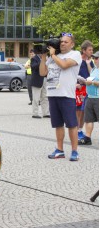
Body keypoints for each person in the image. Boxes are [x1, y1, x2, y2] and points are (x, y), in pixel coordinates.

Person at [39, 32, 82, 161]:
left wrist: (52, 54)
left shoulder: (75, 54)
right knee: (58, 124)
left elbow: (64, 65)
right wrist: (44, 57)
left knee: (71, 124)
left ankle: (74, 151)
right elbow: (42, 73)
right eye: (61, 41)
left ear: (72, 44)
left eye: (66, 41)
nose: (62, 43)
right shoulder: (53, 57)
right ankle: (60, 150)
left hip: (66, 94)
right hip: (53, 93)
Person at [78, 51, 98, 145]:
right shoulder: (94, 69)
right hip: (90, 97)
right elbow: (91, 77)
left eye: (97, 58)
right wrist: (86, 81)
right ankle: (87, 137)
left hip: (98, 97)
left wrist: (93, 83)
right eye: (94, 58)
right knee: (88, 119)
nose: (95, 60)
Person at [76, 40, 94, 140]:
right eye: (89, 50)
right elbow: (72, 73)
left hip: (87, 89)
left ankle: (80, 130)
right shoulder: (77, 60)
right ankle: (75, 130)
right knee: (78, 111)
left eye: (92, 50)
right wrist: (75, 84)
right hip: (78, 88)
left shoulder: (90, 61)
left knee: (83, 111)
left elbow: (92, 74)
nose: (91, 51)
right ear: (83, 50)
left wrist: (88, 64)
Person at [30, 52, 50, 118]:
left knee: (45, 97)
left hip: (45, 79)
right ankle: (35, 113)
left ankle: (46, 113)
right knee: (36, 98)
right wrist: (42, 61)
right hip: (37, 80)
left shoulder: (47, 59)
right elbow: (33, 67)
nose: (45, 55)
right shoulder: (34, 58)